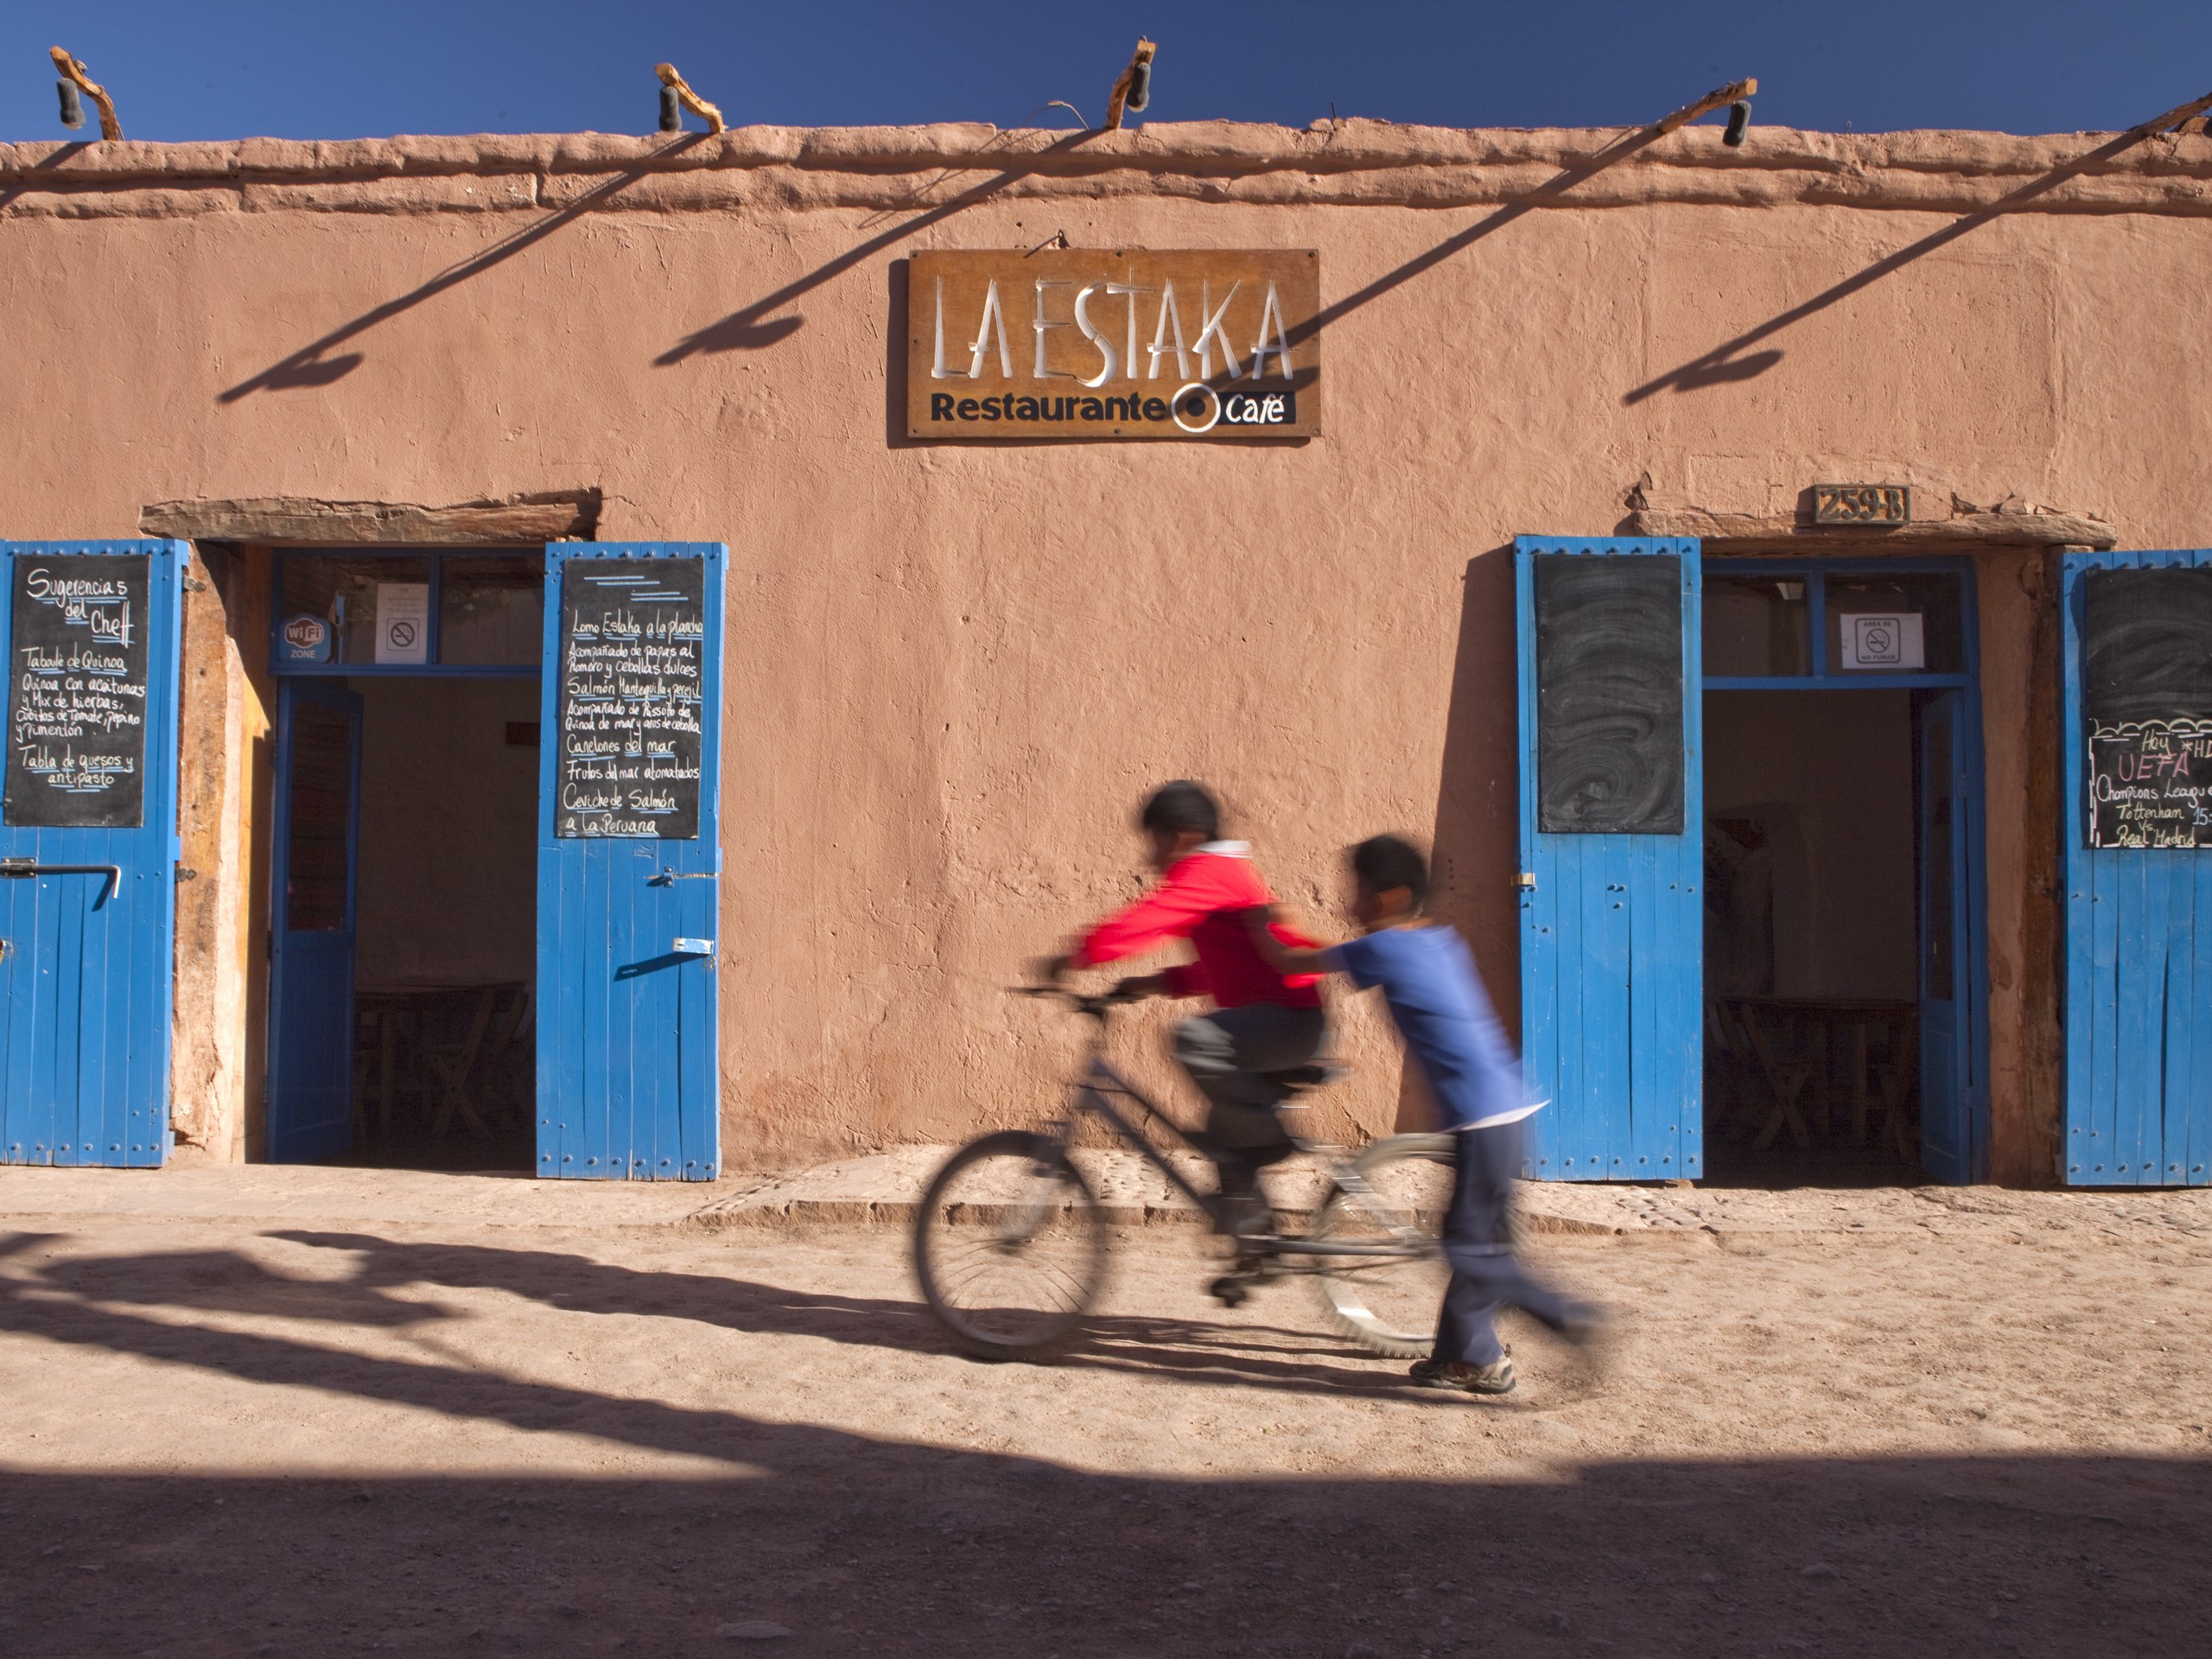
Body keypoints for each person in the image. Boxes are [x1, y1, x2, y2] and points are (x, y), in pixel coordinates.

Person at [1242, 834, 1603, 1395]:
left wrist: (1263, 915)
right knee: (1480, 1241)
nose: (1348, 903)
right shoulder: (1439, 939)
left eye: (1358, 892)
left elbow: (1293, 959)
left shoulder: (1379, 948)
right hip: (1510, 1106)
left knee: (1467, 1246)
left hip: (1482, 1117)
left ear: (1390, 897)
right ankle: (1464, 1357)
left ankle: (1562, 1315)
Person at [1037, 780, 1328, 1236]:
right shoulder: (1224, 874)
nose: (1151, 859)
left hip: (1289, 1022)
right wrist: (1156, 983)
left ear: (1185, 836)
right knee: (1223, 1131)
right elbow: (1230, 969)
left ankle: (1269, 1141)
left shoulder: (1211, 870)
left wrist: (1074, 954)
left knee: (1196, 1039)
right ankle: (1251, 1231)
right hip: (1275, 1018)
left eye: (1156, 842)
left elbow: (1148, 920)